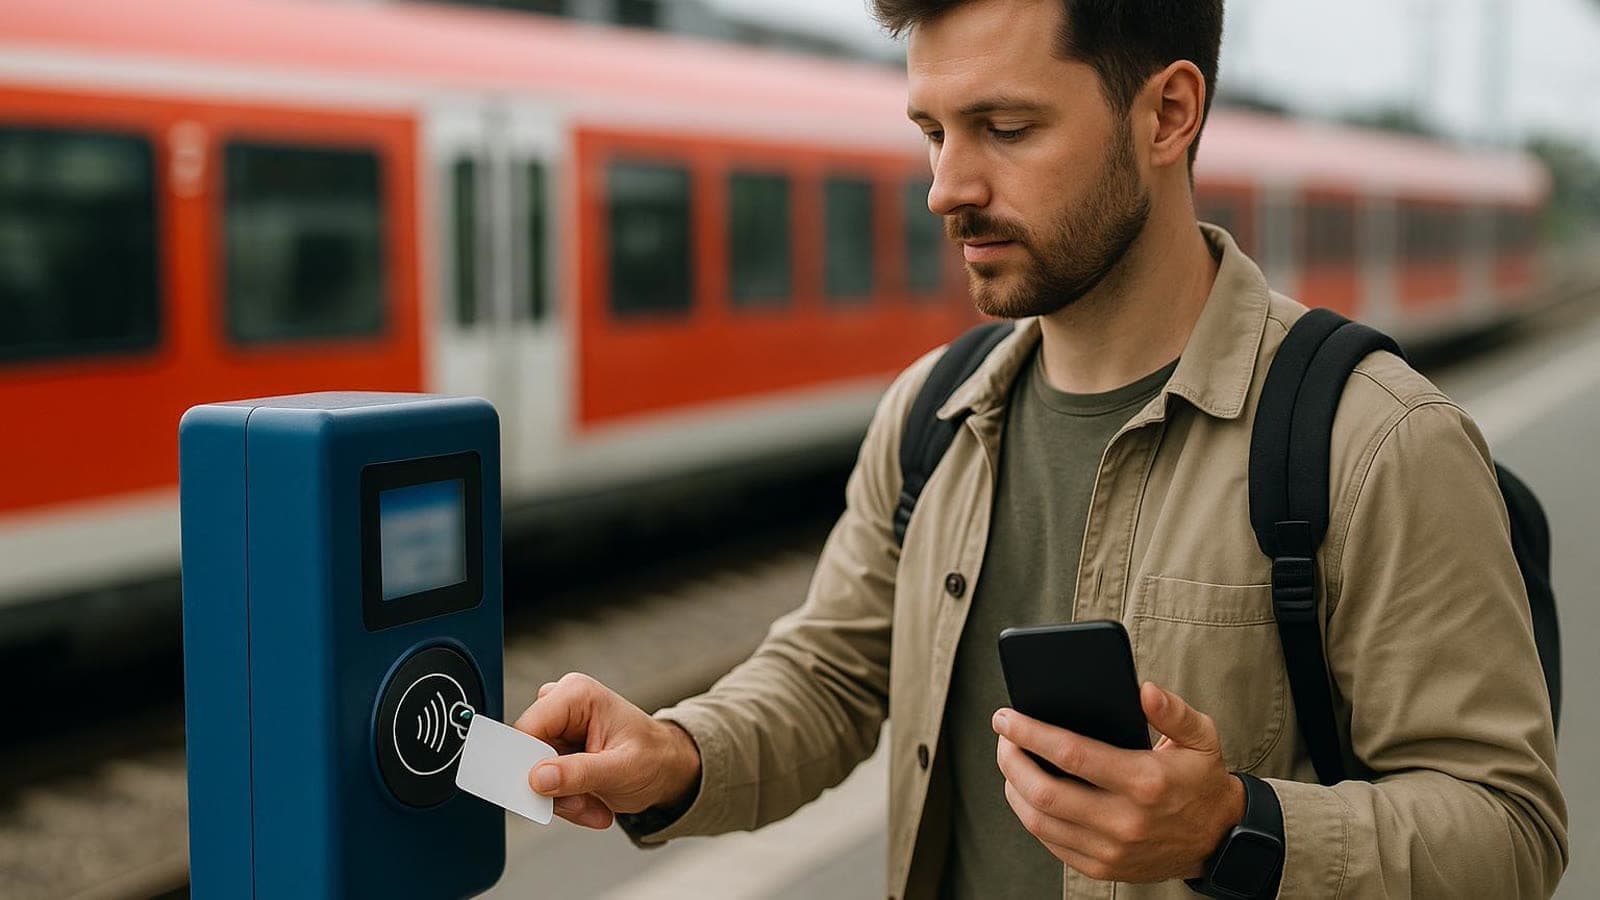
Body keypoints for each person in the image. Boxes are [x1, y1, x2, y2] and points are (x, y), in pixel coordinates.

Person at [514, 1, 1569, 896]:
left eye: (1004, 128)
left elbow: (1508, 829)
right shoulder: (930, 414)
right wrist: (676, 751)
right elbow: (830, 674)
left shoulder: (1378, 442)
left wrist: (1233, 827)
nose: (945, 186)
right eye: (931, 131)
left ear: (1167, 113)